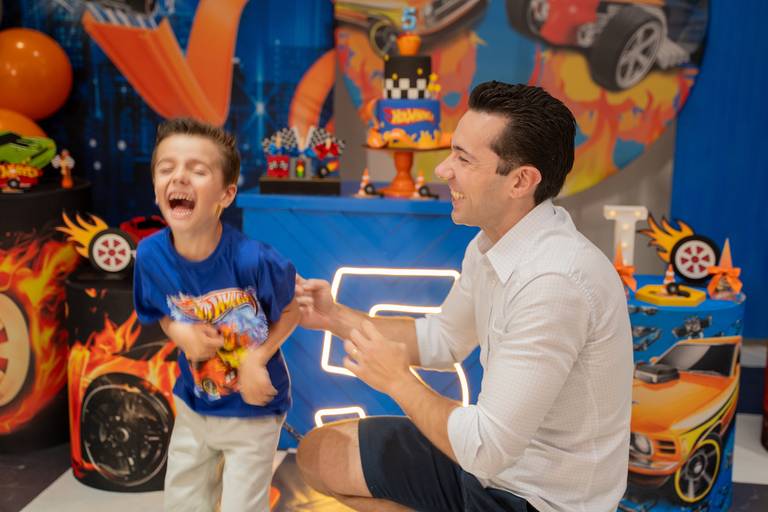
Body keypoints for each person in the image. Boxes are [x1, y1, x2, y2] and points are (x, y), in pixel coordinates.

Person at [294, 81, 633, 512]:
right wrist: (333, 317)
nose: (443, 170)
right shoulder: (490, 245)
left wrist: (397, 380)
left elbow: (487, 449)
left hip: (538, 499)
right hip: (486, 465)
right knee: (320, 454)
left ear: (521, 181)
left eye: (463, 159)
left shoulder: (555, 282)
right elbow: (442, 340)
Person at [133, 118, 299, 511]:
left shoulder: (253, 259)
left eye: (197, 170)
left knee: (243, 505)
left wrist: (257, 358)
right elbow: (158, 309)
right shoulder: (151, 255)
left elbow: (293, 309)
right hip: (194, 404)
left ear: (226, 194)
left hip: (253, 410)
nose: (179, 177)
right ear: (155, 188)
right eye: (167, 168)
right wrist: (179, 333)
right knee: (183, 500)